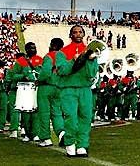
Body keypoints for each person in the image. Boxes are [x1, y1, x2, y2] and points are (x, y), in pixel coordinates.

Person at [56, 25, 98, 157]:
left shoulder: (89, 51)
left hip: (85, 89)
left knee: (85, 118)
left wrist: (91, 61)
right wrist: (73, 61)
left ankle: (82, 145)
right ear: (71, 35)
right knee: (71, 118)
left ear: (84, 34)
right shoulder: (62, 52)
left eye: (80, 32)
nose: (78, 34)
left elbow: (92, 73)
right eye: (75, 32)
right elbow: (62, 71)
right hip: (68, 89)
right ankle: (70, 143)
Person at [36, 37, 65, 147]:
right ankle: (61, 132)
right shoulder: (64, 57)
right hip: (58, 87)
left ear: (52, 45)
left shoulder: (49, 56)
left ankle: (46, 138)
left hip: (46, 87)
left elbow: (45, 73)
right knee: (57, 113)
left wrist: (39, 79)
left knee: (44, 113)